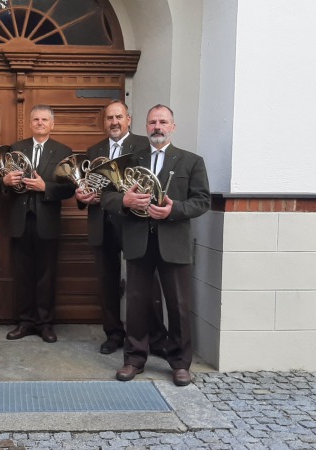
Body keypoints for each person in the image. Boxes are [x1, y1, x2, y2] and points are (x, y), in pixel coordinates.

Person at [101, 104, 210, 386]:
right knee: (137, 303)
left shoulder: (191, 161)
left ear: (173, 126)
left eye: (163, 122)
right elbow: (107, 197)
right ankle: (134, 359)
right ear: (145, 127)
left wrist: (174, 210)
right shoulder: (130, 159)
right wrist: (124, 201)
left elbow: (202, 201)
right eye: (152, 122)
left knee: (179, 305)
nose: (157, 127)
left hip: (173, 241)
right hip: (138, 239)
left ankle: (180, 364)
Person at [76, 100, 171, 355]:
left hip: (135, 223)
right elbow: (88, 185)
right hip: (102, 224)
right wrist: (81, 196)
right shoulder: (94, 149)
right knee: (106, 283)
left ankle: (156, 337)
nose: (114, 122)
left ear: (129, 119)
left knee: (145, 283)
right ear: (104, 122)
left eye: (119, 117)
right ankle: (114, 334)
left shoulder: (144, 145)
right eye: (109, 118)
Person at [0, 105, 75, 343]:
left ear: (52, 124)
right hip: (21, 222)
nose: (40, 123)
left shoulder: (63, 151)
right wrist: (5, 181)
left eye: (44, 119)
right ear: (30, 124)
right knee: (23, 275)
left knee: (46, 275)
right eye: (36, 119)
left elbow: (71, 188)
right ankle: (25, 322)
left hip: (47, 223)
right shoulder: (16, 148)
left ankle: (45, 323)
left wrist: (46, 188)